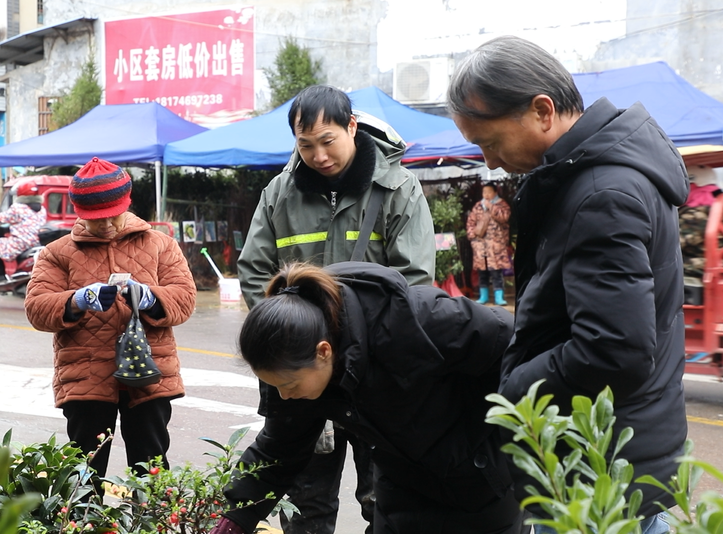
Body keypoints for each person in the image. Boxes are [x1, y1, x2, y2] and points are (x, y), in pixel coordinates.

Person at [447, 35, 688, 534]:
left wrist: (512, 389)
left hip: (601, 471)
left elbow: (613, 350)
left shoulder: (602, 192)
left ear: (541, 110)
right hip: (618, 454)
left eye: (490, 142)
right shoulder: (592, 175)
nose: (489, 162)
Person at [236, 84, 436, 534]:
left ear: (351, 127)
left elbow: (415, 284)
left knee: (384, 500)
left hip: (376, 375)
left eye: (328, 141)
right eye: (305, 145)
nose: (318, 155)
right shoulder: (279, 194)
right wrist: (290, 335)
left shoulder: (398, 189)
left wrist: (357, 341)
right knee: (306, 504)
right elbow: (253, 270)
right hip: (302, 373)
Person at [208, 261, 523, 534]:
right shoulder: (288, 361)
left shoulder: (414, 321)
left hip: (480, 486)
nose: (284, 396)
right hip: (401, 486)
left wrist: (496, 439)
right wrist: (236, 516)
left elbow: (515, 344)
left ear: (323, 351)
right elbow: (280, 449)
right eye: (273, 385)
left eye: (289, 384)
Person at [24, 157, 196, 483]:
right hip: (86, 379)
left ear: (127, 204)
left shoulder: (160, 245)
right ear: (78, 212)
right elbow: (36, 308)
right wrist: (77, 300)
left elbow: (185, 299)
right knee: (83, 474)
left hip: (149, 376)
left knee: (152, 470)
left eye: (112, 216)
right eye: (95, 220)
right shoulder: (57, 253)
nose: (106, 226)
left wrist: (148, 298)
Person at [0, 179, 47, 276]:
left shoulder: (18, 208)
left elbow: (0, 218)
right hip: (36, 242)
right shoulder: (42, 209)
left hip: (21, 242)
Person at [466, 181, 511, 305]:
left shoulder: (502, 205)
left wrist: (491, 207)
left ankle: (499, 297)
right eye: (484, 192)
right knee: (482, 273)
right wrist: (473, 238)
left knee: (496, 273)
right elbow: (470, 223)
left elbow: (504, 217)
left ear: (495, 192)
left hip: (496, 246)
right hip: (481, 246)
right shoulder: (477, 206)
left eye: (489, 192)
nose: (486, 195)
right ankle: (483, 296)